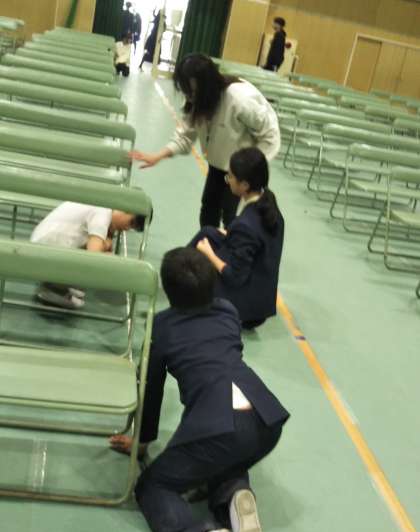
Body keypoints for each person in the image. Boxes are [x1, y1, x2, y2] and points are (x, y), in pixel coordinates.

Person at [110, 247, 290, 532]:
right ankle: (235, 495)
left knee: (154, 485)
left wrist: (143, 442)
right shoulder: (228, 311)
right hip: (265, 419)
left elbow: (151, 389)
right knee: (223, 459)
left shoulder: (162, 327)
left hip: (218, 424)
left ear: (168, 290)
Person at [131, 54, 280, 228]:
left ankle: (231, 244)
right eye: (186, 91)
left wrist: (251, 168)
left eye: (191, 91)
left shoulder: (240, 100)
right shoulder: (199, 100)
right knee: (208, 210)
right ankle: (209, 244)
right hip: (219, 164)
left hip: (243, 171)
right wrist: (158, 156)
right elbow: (185, 135)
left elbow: (270, 135)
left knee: (232, 218)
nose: (189, 97)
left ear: (206, 85)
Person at [189, 147, 284, 329]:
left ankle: (181, 287)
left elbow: (234, 277)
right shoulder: (269, 205)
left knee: (204, 251)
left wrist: (209, 253)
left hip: (244, 304)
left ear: (245, 185)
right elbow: (258, 242)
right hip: (260, 297)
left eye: (231, 176)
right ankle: (181, 281)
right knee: (208, 232)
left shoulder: (246, 225)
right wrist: (231, 234)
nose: (228, 180)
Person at [30, 202, 145, 309]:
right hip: (44, 255)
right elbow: (93, 258)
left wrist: (106, 243)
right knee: (107, 260)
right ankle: (56, 287)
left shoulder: (101, 205)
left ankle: (59, 285)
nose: (126, 229)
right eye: (131, 223)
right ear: (124, 209)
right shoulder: (102, 213)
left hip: (41, 248)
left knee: (101, 252)